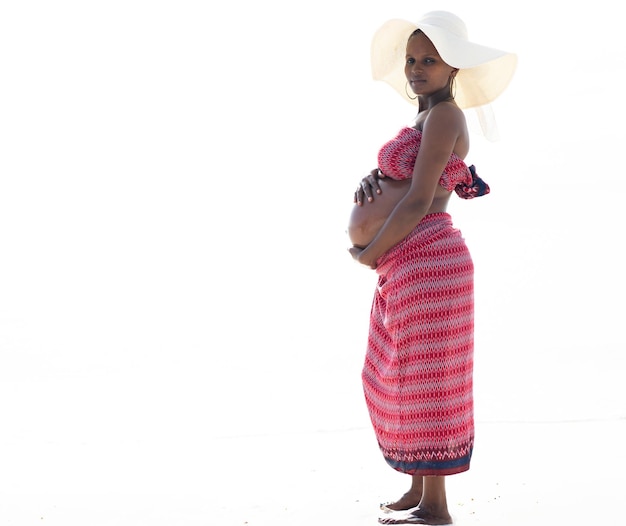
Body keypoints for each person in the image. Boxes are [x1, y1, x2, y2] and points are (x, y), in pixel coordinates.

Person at [347, 11, 516, 525]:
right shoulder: (425, 119)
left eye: (430, 60)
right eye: (412, 59)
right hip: (409, 262)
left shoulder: (445, 116)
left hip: (427, 260)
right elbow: (407, 182)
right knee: (398, 375)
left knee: (429, 381)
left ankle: (436, 505)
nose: (417, 68)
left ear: (453, 69)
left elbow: (421, 199)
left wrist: (370, 251)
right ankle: (419, 488)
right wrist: (372, 181)